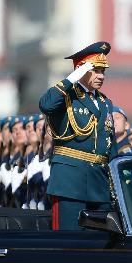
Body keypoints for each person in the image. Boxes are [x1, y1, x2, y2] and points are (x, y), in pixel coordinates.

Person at [38, 41, 117, 230]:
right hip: (70, 181)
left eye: (102, 71)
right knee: (70, 238)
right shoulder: (66, 96)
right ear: (82, 71)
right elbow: (46, 105)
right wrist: (72, 78)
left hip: (99, 181)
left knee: (100, 239)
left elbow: (109, 144)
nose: (100, 76)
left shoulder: (105, 102)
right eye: (95, 70)